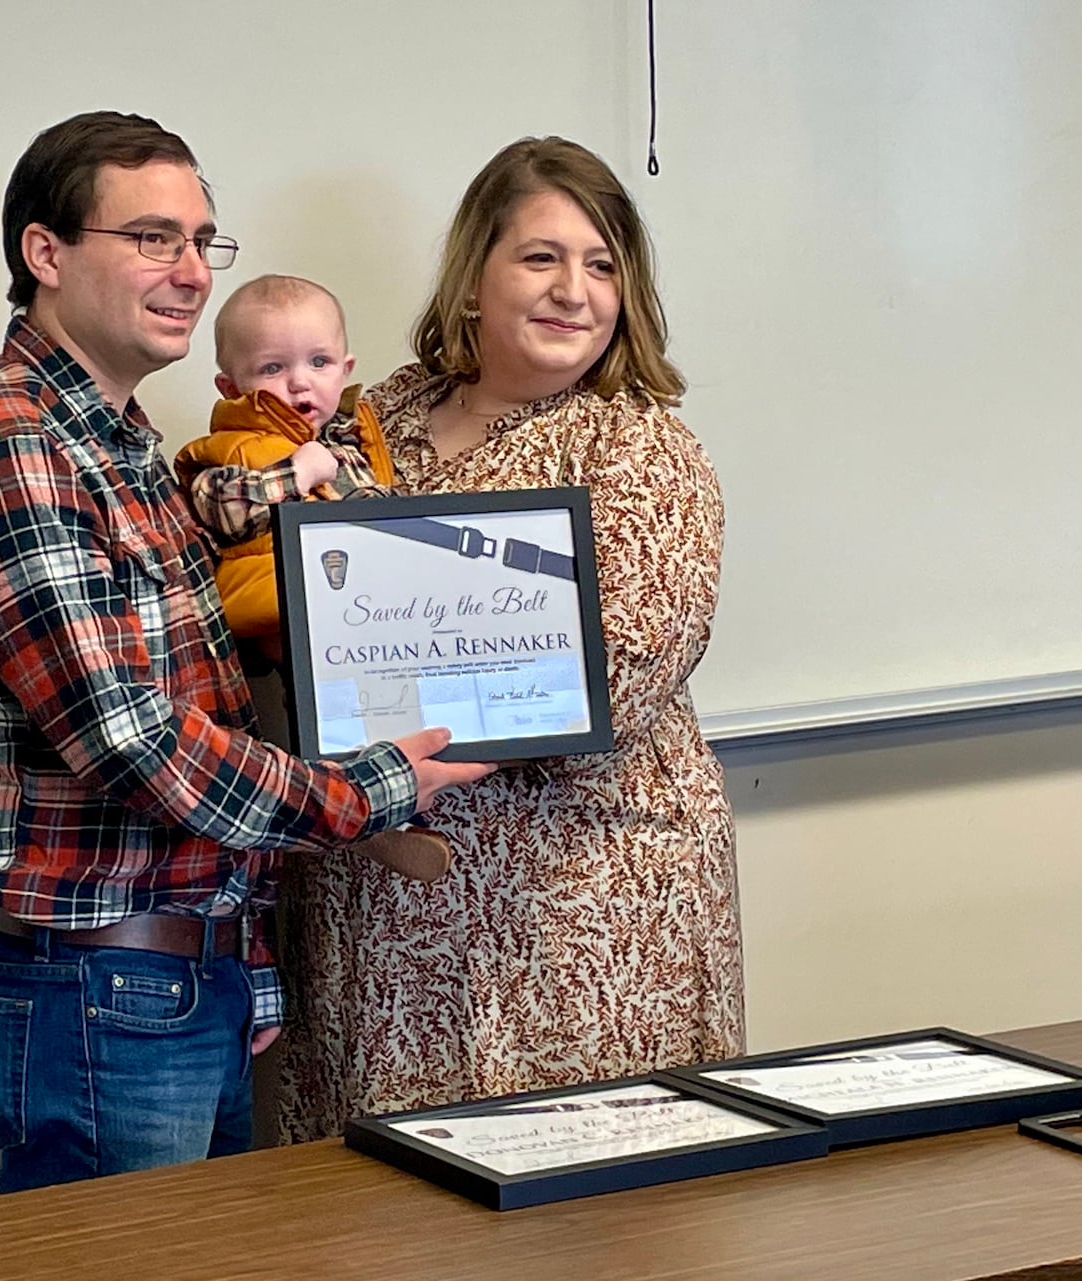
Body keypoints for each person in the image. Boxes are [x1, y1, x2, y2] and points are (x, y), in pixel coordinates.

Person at [0, 110, 492, 1193]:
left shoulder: (126, 445)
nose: (187, 272)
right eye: (150, 238)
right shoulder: (19, 447)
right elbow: (132, 743)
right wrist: (366, 789)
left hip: (181, 981)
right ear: (46, 253)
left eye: (199, 240)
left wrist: (244, 959)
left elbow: (209, 711)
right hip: (95, 994)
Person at [277, 136, 744, 1142]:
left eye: (602, 264)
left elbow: (623, 659)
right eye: (540, 257)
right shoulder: (373, 417)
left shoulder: (634, 443)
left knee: (583, 1213)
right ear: (475, 274)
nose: (573, 290)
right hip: (383, 914)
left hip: (578, 912)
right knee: (387, 1220)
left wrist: (398, 758)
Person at [171, 273, 451, 882]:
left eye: (319, 361)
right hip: (282, 614)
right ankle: (352, 809)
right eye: (273, 367)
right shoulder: (230, 447)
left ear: (344, 368)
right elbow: (220, 508)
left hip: (363, 614)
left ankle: (397, 815)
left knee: (388, 697)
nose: (300, 381)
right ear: (230, 384)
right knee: (316, 708)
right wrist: (292, 476)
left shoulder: (355, 444)